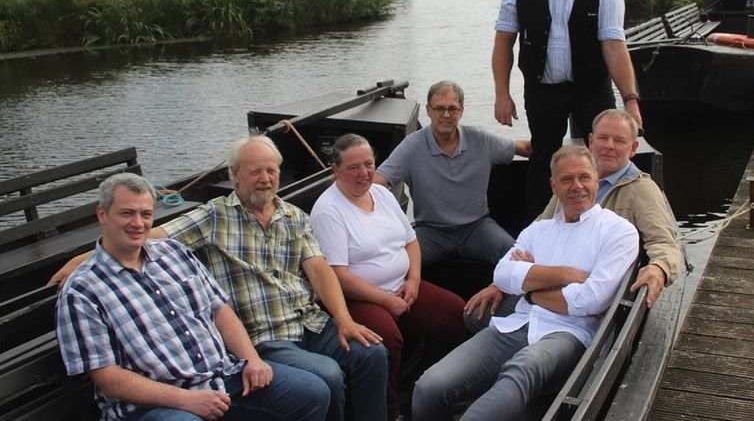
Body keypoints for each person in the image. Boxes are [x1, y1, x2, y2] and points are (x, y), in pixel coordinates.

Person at [52, 137, 389, 421]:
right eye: (255, 171)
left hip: (303, 325)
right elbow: (159, 232)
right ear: (234, 175)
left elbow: (317, 269)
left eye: (271, 171)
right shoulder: (214, 216)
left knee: (371, 353)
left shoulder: (294, 216)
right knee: (326, 375)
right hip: (264, 336)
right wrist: (86, 257)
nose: (265, 178)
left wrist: (344, 319)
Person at [412, 146, 639, 421]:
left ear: (596, 180)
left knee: (522, 367)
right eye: (567, 179)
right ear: (554, 186)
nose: (577, 186)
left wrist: (529, 288)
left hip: (570, 333)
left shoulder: (618, 231)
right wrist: (567, 275)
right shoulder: (538, 230)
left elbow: (589, 300)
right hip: (517, 323)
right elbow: (503, 275)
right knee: (428, 388)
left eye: (584, 177)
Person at [491, 0, 643, 220]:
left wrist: (631, 101)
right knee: (543, 155)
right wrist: (502, 94)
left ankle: (601, 222)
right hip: (542, 88)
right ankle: (537, 225)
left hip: (591, 88)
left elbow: (614, 48)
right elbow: (504, 41)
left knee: (601, 155)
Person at [466, 109, 682, 325]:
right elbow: (539, 230)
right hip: (549, 284)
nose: (609, 145)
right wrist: (501, 285)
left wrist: (659, 268)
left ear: (634, 148)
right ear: (590, 141)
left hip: (589, 299)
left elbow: (664, 243)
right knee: (477, 315)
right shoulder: (571, 185)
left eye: (619, 140)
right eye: (602, 138)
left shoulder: (642, 190)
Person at [310, 134, 467, 420]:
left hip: (402, 286)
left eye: (369, 164)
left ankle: (421, 386)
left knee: (455, 313)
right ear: (335, 170)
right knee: (386, 340)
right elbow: (337, 275)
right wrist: (385, 299)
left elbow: (410, 241)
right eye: (354, 167)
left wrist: (414, 280)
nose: (364, 173)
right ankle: (390, 408)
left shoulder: (381, 193)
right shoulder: (328, 210)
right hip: (358, 296)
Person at [374, 80, 531, 267]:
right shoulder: (412, 145)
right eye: (439, 108)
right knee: (394, 265)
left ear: (461, 111)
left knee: (517, 258)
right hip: (431, 231)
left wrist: (559, 151)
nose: (446, 115)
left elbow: (524, 148)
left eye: (452, 109)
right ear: (428, 111)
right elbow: (377, 182)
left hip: (477, 227)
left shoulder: (480, 140)